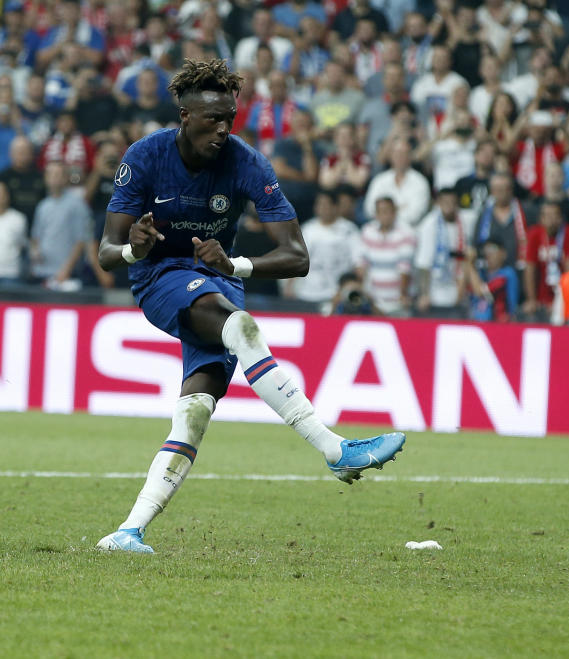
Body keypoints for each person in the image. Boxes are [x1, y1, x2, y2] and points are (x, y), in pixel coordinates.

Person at [94, 60, 405, 555]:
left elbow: (297, 257)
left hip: (219, 280)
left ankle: (128, 532)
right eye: (212, 119)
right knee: (240, 326)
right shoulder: (145, 156)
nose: (222, 129)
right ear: (184, 116)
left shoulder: (246, 163)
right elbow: (107, 253)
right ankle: (335, 449)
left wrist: (235, 264)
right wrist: (136, 248)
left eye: (230, 119)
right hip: (158, 278)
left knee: (195, 411)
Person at [283, 189, 360, 312]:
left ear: (335, 207)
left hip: (336, 295)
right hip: (307, 293)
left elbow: (358, 262)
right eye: (319, 204)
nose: (322, 208)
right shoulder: (307, 229)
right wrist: (289, 285)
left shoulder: (349, 230)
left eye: (326, 204)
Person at [30, 161, 93, 287]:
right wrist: (34, 250)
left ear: (66, 178)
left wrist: (66, 270)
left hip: (66, 274)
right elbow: (35, 236)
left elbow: (82, 240)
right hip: (42, 271)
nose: (54, 178)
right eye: (50, 174)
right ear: (45, 178)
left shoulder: (77, 204)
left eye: (58, 174)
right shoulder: (42, 206)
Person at [415, 188, 471, 319]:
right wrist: (424, 294)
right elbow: (423, 264)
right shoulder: (429, 225)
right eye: (445, 202)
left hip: (457, 290)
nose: (449, 206)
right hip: (435, 293)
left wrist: (462, 289)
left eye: (452, 202)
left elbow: (465, 258)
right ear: (438, 203)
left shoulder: (464, 223)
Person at [523, 201, 569, 322]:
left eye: (554, 215)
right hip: (541, 299)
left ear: (561, 218)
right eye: (546, 215)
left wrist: (560, 302)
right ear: (541, 218)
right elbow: (530, 268)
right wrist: (532, 299)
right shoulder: (535, 234)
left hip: (564, 297)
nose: (551, 219)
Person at [357, 196, 416, 315]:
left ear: (394, 212)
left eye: (388, 211)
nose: (385, 215)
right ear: (376, 214)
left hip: (397, 303)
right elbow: (362, 265)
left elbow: (405, 268)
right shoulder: (368, 231)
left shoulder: (406, 233)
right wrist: (363, 293)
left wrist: (402, 295)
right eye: (381, 212)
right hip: (373, 301)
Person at [363, 137, 430, 226]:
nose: (400, 157)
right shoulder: (379, 180)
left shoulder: (420, 182)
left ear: (410, 156)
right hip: (380, 234)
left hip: (410, 234)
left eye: (404, 154)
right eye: (397, 153)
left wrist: (385, 212)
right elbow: (369, 210)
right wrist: (399, 208)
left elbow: (415, 215)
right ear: (391, 156)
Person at [0, 181, 26, 283]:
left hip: (11, 274)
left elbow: (22, 245)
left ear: (8, 196)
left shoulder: (18, 218)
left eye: (2, 193)